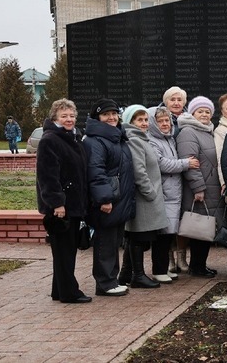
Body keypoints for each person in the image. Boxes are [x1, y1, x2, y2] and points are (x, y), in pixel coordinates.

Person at [36, 99, 90, 303]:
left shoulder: (73, 138)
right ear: (55, 118)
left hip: (74, 204)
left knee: (65, 250)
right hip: (61, 206)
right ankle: (69, 292)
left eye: (72, 115)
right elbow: (48, 176)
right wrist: (57, 203)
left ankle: (59, 290)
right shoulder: (50, 140)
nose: (69, 119)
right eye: (64, 116)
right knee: (64, 251)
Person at [83, 98, 134, 297]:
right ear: (98, 117)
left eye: (114, 113)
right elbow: (96, 171)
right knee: (105, 242)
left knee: (114, 241)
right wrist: (104, 199)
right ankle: (105, 282)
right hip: (108, 200)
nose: (111, 117)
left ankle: (111, 279)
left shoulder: (116, 138)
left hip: (118, 198)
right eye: (106, 114)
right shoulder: (95, 141)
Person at [119, 105, 169, 288]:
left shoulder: (142, 138)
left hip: (148, 198)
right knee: (138, 237)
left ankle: (125, 273)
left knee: (136, 237)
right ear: (130, 122)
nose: (144, 123)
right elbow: (139, 171)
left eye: (146, 119)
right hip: (144, 199)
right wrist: (150, 192)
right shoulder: (134, 140)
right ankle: (138, 276)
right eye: (139, 120)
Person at [147, 106, 199, 280]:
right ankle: (159, 270)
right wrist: (186, 164)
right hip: (164, 193)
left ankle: (163, 268)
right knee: (162, 234)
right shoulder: (153, 140)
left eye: (167, 121)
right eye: (160, 121)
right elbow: (162, 164)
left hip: (173, 193)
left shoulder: (169, 139)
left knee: (169, 233)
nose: (165, 124)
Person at [177, 96, 223, 278]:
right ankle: (197, 267)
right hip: (199, 190)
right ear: (192, 113)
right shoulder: (189, 132)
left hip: (210, 188)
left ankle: (200, 264)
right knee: (199, 229)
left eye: (207, 112)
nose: (204, 115)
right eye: (200, 111)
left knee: (205, 228)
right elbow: (191, 163)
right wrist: (198, 188)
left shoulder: (207, 131)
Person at [162, 86, 190, 271]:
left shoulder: (190, 119)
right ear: (165, 102)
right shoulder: (159, 119)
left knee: (183, 218)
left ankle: (182, 257)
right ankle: (169, 257)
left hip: (187, 174)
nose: (176, 103)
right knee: (168, 219)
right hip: (168, 177)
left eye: (179, 99)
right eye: (172, 99)